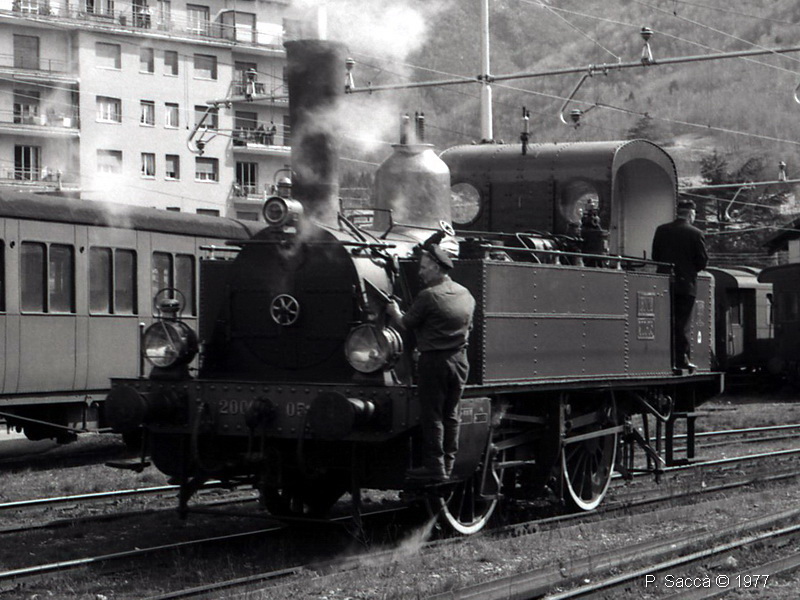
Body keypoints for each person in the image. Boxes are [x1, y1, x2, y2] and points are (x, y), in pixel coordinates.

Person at [386, 240, 476, 484]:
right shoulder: (465, 294)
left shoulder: (428, 296)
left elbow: (406, 323)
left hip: (434, 362)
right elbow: (469, 327)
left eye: (424, 268)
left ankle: (435, 466)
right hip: (460, 360)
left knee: (432, 415)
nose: (420, 272)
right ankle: (449, 463)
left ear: (437, 268)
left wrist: (394, 311)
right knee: (451, 414)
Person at [652, 199, 708, 371]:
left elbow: (655, 256)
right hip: (685, 286)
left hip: (663, 283)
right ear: (691, 214)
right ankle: (681, 359)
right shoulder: (696, 234)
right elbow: (702, 262)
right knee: (682, 324)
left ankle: (661, 356)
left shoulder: (661, 230)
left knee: (664, 321)